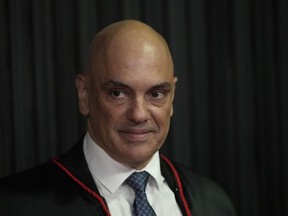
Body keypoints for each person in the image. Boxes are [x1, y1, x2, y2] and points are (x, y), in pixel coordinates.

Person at [0, 20, 236, 216]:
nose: (139, 114)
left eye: (156, 94)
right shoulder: (15, 206)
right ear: (85, 95)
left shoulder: (213, 203)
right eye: (118, 93)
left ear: (172, 98)